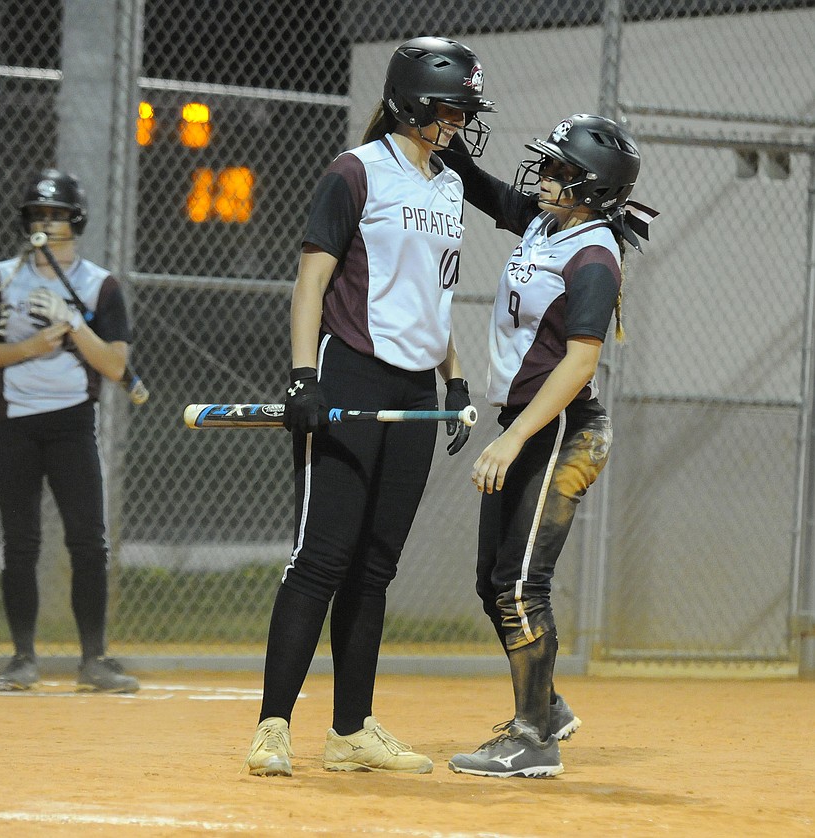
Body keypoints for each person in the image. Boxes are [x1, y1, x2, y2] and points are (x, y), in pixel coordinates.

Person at [244, 36, 496, 777]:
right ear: (414, 103)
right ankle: (272, 728)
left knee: (376, 567)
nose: (460, 122)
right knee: (320, 557)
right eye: (451, 108)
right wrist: (301, 377)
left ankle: (350, 731)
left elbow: (430, 296)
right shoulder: (356, 173)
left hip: (417, 386)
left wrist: (453, 378)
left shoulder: (448, 184)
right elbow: (310, 284)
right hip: (349, 373)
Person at [437, 114, 657, 777]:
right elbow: (477, 184)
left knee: (520, 585)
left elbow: (580, 364)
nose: (545, 177)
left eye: (561, 170)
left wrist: (514, 439)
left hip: (563, 431)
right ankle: (548, 705)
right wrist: (437, 136)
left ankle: (535, 739)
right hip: (531, 424)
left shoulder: (593, 255)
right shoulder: (544, 222)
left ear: (592, 188)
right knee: (492, 582)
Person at [0, 167, 140, 694]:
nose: (47, 224)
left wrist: (72, 323)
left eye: (58, 216)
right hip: (13, 421)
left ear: (75, 222)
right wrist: (32, 346)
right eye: (39, 215)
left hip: (71, 421)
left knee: (89, 540)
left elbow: (114, 365)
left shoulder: (98, 284)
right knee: (21, 543)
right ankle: (23, 657)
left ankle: (94, 659)